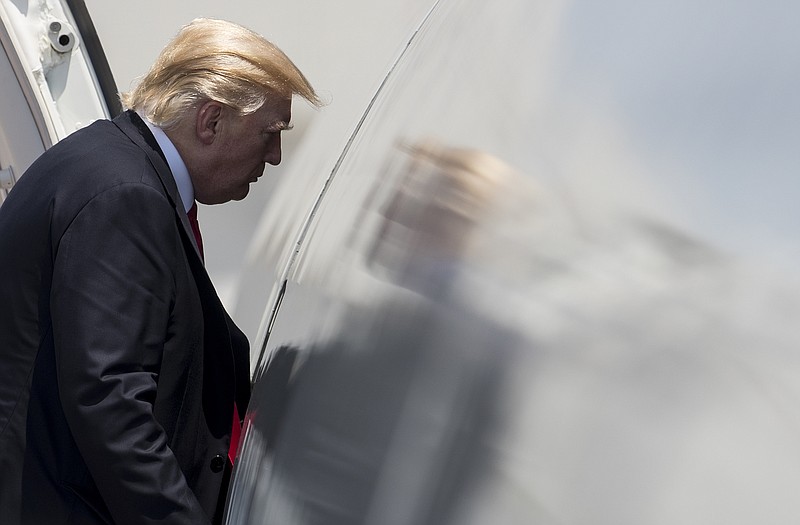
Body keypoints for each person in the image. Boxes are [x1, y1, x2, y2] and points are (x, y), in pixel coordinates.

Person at [0, 17, 320, 525]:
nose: (275, 157)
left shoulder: (105, 162)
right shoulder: (127, 197)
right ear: (211, 121)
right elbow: (110, 399)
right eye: (270, 134)